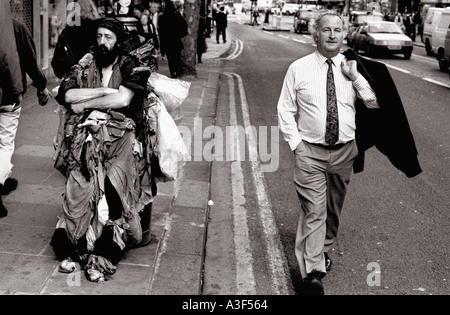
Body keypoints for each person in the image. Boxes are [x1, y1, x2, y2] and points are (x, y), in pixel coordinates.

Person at [278, 12, 421, 295]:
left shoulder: (354, 67)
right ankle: (312, 273)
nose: (332, 35)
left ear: (345, 34)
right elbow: (285, 108)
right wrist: (297, 145)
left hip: (345, 151)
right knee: (313, 211)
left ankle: (323, 247)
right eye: (326, 30)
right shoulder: (298, 68)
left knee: (332, 208)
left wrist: (356, 78)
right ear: (315, 34)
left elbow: (374, 105)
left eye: (338, 30)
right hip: (311, 153)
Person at [50, 17, 156, 282]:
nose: (102, 42)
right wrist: (102, 92)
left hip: (122, 140)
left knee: (113, 195)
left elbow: (124, 99)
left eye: (108, 37)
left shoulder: (132, 64)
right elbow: (67, 95)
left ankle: (105, 253)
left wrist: (86, 102)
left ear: (118, 40)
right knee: (79, 192)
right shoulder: (86, 62)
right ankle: (74, 249)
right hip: (87, 139)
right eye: (98, 36)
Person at [0, 17, 50, 218]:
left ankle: (6, 176)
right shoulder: (16, 27)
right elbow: (30, 61)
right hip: (8, 95)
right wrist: (41, 86)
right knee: (5, 142)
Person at [158, 0, 188, 78]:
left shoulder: (161, 18)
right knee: (177, 58)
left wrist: (162, 50)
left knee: (171, 60)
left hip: (167, 42)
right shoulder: (177, 16)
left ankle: (173, 72)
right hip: (176, 41)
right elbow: (184, 27)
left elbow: (161, 33)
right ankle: (177, 71)